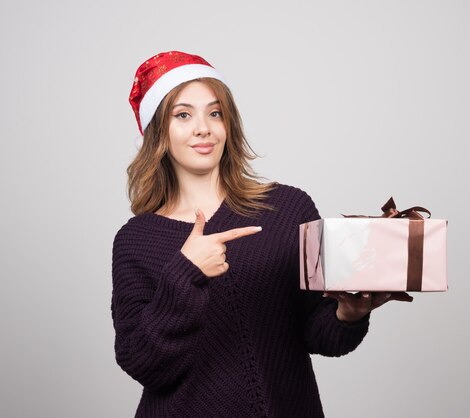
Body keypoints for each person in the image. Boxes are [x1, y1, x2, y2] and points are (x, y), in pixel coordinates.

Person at [112, 51, 412, 418]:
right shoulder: (136, 240)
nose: (203, 127)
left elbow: (319, 336)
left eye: (215, 112)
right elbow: (142, 362)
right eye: (183, 114)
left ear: (229, 124)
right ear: (160, 132)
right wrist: (185, 271)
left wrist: (348, 313)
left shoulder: (288, 208)